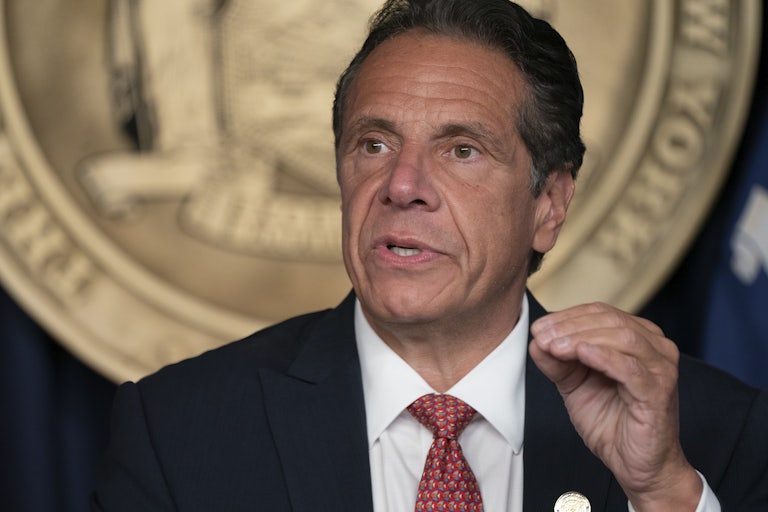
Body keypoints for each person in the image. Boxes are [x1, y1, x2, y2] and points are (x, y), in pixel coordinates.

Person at [91, 1, 768, 510]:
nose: (403, 187)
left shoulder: (716, 433)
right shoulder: (179, 432)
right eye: (375, 145)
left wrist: (664, 494)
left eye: (461, 150)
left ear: (550, 205)